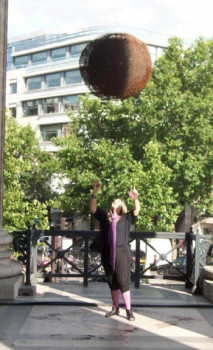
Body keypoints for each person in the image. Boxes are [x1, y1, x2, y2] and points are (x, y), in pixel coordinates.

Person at [90, 180, 140, 321]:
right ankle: (115, 307)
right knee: (112, 281)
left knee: (123, 280)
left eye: (118, 201)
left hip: (122, 252)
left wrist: (135, 198)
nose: (115, 202)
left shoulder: (126, 218)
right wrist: (95, 192)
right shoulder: (106, 218)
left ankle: (129, 310)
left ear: (121, 206)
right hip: (108, 252)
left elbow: (136, 211)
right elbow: (93, 209)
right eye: (114, 201)